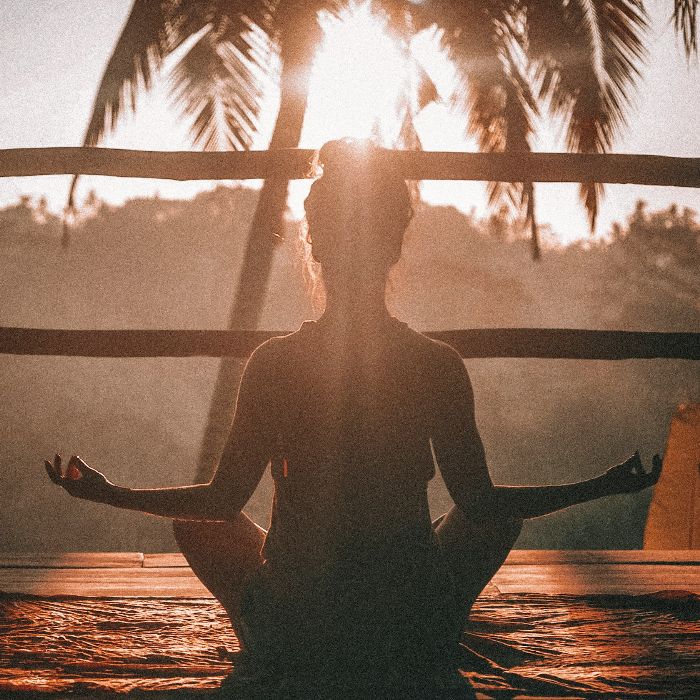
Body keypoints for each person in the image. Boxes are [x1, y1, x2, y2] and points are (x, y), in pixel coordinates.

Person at [44, 139, 663, 698]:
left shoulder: (276, 362)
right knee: (489, 521)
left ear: (314, 244)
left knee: (201, 528)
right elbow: (479, 502)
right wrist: (602, 485)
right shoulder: (435, 364)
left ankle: (270, 641)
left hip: (299, 626)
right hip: (405, 625)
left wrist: (108, 493)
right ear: (395, 246)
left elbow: (219, 499)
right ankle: (431, 630)